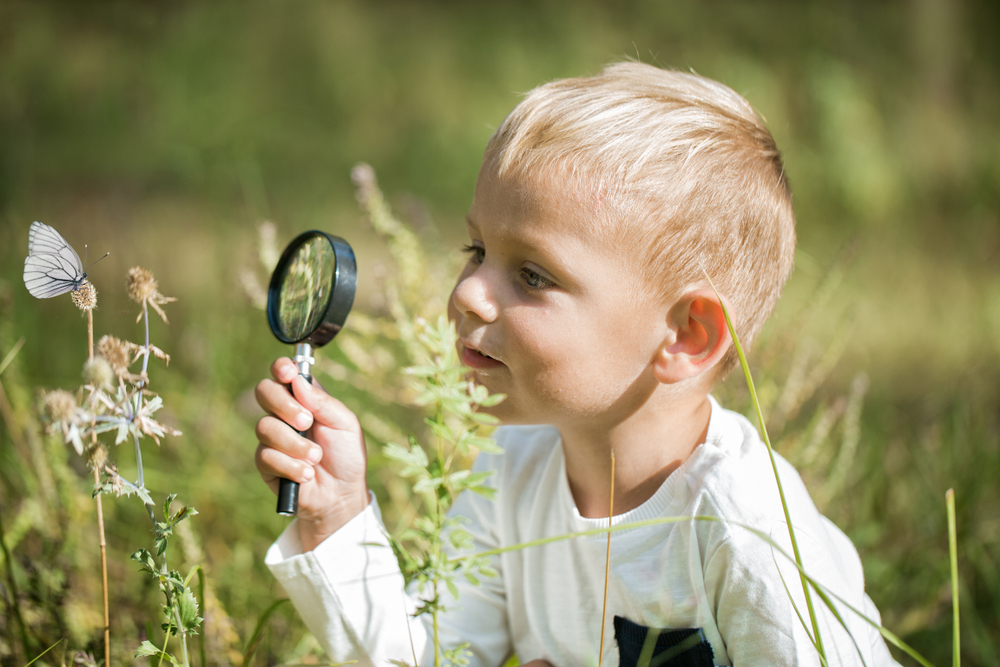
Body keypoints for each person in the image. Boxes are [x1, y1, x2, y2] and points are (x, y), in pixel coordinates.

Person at [255, 62, 898, 667]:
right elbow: (424, 656)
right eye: (476, 249)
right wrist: (335, 515)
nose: (467, 292)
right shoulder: (513, 468)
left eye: (533, 275)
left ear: (686, 336)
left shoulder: (748, 529)